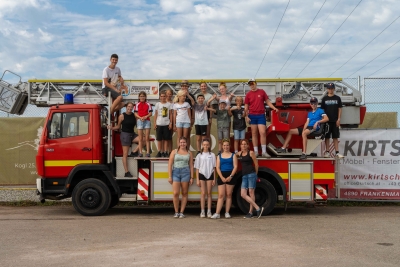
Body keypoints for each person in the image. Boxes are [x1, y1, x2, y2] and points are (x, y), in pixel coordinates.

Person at [244, 78, 278, 158]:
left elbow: (267, 101)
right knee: (254, 133)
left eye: (252, 83)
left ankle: (263, 151)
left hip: (261, 115)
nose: (251, 85)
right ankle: (256, 151)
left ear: (256, 83)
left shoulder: (262, 92)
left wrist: (274, 108)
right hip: (252, 115)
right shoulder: (248, 94)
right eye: (250, 84)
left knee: (262, 132)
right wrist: (246, 116)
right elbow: (246, 106)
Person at [107, 102, 139, 177]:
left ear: (133, 108)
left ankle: (134, 151)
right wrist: (111, 128)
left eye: (131, 107)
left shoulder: (134, 115)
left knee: (143, 139)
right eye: (128, 106)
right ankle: (126, 172)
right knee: (125, 154)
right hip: (125, 135)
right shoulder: (122, 116)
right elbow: (118, 127)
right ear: (126, 107)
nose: (130, 108)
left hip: (132, 134)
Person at [211, 139, 238, 219]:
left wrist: (230, 176)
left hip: (231, 176)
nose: (226, 147)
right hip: (221, 175)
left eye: (227, 145)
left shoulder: (233, 155)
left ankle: (227, 212)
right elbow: (217, 168)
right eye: (224, 145)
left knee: (229, 195)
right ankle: (217, 213)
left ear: (230, 146)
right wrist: (222, 177)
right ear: (222, 147)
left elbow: (235, 167)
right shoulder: (219, 156)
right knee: (221, 195)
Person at [168, 136, 194, 218]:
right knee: (176, 193)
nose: (182, 144)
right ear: (179, 143)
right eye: (181, 142)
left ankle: (182, 212)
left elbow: (191, 166)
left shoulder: (189, 153)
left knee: (184, 193)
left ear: (186, 143)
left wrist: (192, 177)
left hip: (186, 173)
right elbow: (170, 164)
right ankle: (176, 211)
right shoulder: (174, 152)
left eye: (184, 142)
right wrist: (169, 176)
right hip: (175, 172)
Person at [237, 139, 264, 219]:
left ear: (248, 145)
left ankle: (250, 212)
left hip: (251, 174)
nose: (244, 145)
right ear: (240, 146)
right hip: (244, 175)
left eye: (245, 144)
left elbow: (256, 164)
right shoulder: (239, 153)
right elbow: (233, 156)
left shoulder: (251, 153)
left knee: (251, 193)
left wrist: (255, 174)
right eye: (242, 144)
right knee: (243, 194)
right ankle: (258, 208)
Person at [321, 83, 344, 159]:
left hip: (335, 121)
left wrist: (339, 119)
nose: (330, 90)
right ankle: (327, 152)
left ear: (334, 89)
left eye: (332, 88)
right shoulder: (324, 99)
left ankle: (337, 152)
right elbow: (322, 110)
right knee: (327, 137)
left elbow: (340, 109)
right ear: (327, 89)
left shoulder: (337, 98)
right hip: (327, 121)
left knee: (335, 137)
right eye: (329, 88)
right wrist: (324, 119)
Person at [194, 139, 216, 218]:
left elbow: (214, 168)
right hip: (201, 175)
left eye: (207, 145)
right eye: (204, 145)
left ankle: (209, 211)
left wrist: (214, 179)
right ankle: (202, 211)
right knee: (203, 193)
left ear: (209, 145)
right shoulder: (199, 155)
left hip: (210, 174)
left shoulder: (212, 155)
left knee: (209, 193)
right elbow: (197, 168)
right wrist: (197, 179)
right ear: (202, 145)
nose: (206, 146)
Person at [154, 91, 173, 158]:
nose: (162, 97)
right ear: (159, 97)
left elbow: (171, 114)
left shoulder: (169, 104)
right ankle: (160, 151)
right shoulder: (157, 104)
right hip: (159, 123)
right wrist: (155, 123)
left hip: (166, 123)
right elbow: (155, 114)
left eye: (164, 96)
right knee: (159, 139)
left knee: (166, 139)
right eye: (161, 96)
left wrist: (171, 123)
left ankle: (165, 151)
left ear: (166, 97)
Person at [134, 91, 152, 157]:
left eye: (143, 96)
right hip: (140, 120)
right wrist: (140, 117)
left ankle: (148, 152)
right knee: (140, 138)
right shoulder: (137, 104)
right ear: (139, 97)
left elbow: (150, 113)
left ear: (145, 97)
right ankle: (140, 152)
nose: (142, 97)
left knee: (147, 138)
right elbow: (135, 113)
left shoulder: (148, 104)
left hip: (147, 120)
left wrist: (146, 116)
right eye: (141, 96)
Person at [165, 88, 174, 155]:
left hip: (171, 121)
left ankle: (170, 151)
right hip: (164, 121)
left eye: (170, 94)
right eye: (168, 94)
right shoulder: (163, 102)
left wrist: (172, 122)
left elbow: (173, 113)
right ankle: (164, 151)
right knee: (164, 138)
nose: (169, 95)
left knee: (170, 137)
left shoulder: (173, 102)